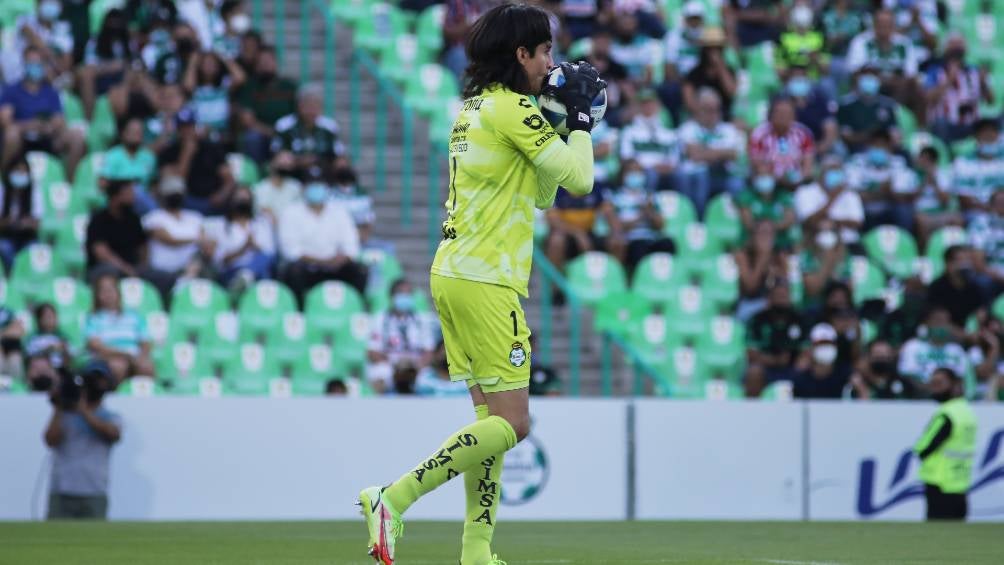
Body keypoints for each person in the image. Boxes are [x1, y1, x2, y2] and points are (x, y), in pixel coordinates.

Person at [357, 5, 602, 564]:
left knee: (490, 424)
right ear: (521, 54)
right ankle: (393, 498)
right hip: (488, 280)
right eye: (544, 52)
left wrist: (556, 124)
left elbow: (542, 193)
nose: (551, 63)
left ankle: (476, 551)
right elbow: (581, 180)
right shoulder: (514, 110)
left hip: (454, 273)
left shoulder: (474, 108)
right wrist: (581, 124)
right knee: (515, 425)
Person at [44, 361, 121, 520]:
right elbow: (50, 440)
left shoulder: (110, 417)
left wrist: (83, 410)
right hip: (62, 489)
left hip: (93, 490)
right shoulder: (64, 415)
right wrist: (59, 406)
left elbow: (113, 434)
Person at [0, 46, 86, 178]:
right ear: (24, 64)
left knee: (77, 138)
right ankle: (4, 179)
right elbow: (5, 120)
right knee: (11, 134)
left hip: (47, 137)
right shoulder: (12, 90)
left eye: (38, 63)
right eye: (31, 63)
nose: (35, 67)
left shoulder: (51, 92)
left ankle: (68, 185)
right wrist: (30, 126)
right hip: (22, 139)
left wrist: (49, 127)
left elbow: (60, 120)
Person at [278, 180, 367, 301]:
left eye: (319, 184)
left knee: (360, 270)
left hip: (335, 266)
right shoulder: (290, 212)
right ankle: (299, 311)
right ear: (304, 188)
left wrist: (341, 259)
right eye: (312, 184)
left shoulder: (339, 211)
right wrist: (321, 261)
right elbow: (290, 251)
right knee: (293, 271)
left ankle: (354, 308)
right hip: (307, 266)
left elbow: (351, 246)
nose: (316, 188)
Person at [914, 367, 977, 521]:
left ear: (954, 385)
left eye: (939, 383)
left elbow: (923, 447)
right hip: (960, 481)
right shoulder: (966, 412)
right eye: (932, 383)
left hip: (940, 481)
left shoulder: (947, 414)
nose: (935, 388)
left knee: (936, 535)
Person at [675, 87, 745, 215]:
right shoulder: (687, 129)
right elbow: (694, 155)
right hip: (696, 176)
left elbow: (733, 154)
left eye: (716, 109)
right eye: (707, 109)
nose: (713, 113)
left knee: (738, 182)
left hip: (724, 174)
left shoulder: (729, 129)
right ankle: (699, 218)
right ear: (698, 109)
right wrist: (720, 153)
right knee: (701, 176)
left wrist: (704, 152)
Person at [156, 107, 236, 215]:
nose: (186, 131)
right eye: (182, 127)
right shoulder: (168, 152)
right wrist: (187, 154)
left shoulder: (211, 148)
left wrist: (221, 195)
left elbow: (229, 179)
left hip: (213, 199)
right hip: (186, 200)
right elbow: (176, 181)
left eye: (189, 126)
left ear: (195, 126)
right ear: (177, 129)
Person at [366, 279, 438, 394]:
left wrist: (416, 366)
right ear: (392, 296)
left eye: (408, 294)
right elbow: (372, 352)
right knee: (379, 373)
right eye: (401, 293)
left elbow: (429, 352)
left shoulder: (422, 319)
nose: (405, 297)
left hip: (416, 366)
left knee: (427, 378)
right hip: (390, 365)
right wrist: (396, 366)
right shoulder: (379, 319)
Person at [604, 161, 672, 276]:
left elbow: (661, 226)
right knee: (639, 248)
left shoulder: (650, 196)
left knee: (668, 244)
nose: (636, 175)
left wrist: (649, 212)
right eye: (631, 171)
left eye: (639, 171)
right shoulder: (614, 197)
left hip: (651, 238)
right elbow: (617, 227)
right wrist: (640, 216)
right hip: (630, 240)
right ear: (623, 175)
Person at [84, 272, 155, 383]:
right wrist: (123, 354)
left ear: (118, 292)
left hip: (133, 355)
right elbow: (95, 345)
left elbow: (145, 341)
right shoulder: (93, 318)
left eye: (111, 289)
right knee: (118, 367)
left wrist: (141, 357)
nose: (108, 294)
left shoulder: (133, 315)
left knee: (146, 367)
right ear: (97, 295)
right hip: (109, 356)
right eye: (103, 291)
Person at [205, 186, 275, 292]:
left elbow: (270, 253)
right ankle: (247, 278)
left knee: (263, 262)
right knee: (260, 275)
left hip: (260, 268)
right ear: (231, 201)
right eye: (239, 199)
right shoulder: (219, 225)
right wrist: (243, 248)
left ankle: (247, 275)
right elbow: (220, 260)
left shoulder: (261, 223)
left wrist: (254, 245)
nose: (243, 202)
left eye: (246, 199)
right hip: (232, 271)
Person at [845, 128, 917, 231]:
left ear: (889, 147)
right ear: (868, 146)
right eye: (875, 145)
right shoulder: (856, 161)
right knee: (851, 208)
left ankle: (905, 241)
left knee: (904, 210)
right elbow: (852, 194)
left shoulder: (899, 163)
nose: (878, 148)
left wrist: (875, 193)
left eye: (882, 145)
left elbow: (903, 197)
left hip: (888, 210)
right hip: (864, 209)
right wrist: (882, 191)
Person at [235, 45, 297, 162]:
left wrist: (282, 132)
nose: (265, 65)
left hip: (287, 132)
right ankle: (256, 175)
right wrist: (270, 132)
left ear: (276, 62)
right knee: (252, 138)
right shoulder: (250, 87)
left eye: (268, 61)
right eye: (261, 62)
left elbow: (299, 114)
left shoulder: (289, 87)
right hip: (261, 133)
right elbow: (247, 119)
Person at [270, 83, 346, 179]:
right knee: (283, 161)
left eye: (315, 106)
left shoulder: (330, 126)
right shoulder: (284, 125)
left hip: (324, 171)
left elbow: (339, 154)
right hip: (294, 172)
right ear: (299, 106)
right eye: (308, 106)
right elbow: (276, 153)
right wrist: (299, 161)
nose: (311, 110)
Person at [745, 278, 805, 397]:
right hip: (766, 368)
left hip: (793, 368)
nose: (781, 299)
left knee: (806, 372)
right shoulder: (757, 320)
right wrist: (775, 360)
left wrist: (798, 365)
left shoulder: (800, 320)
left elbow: (807, 351)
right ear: (769, 298)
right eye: (778, 295)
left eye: (784, 295)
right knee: (754, 372)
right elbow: (752, 353)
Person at [142, 175, 207, 282]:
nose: (175, 197)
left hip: (192, 269)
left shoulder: (195, 217)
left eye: (177, 193)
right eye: (171, 193)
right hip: (163, 271)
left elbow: (204, 241)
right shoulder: (153, 217)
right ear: (163, 195)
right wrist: (196, 239)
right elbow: (170, 240)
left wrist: (200, 240)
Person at [617, 88, 679, 193]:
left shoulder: (667, 131)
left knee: (682, 175)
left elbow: (674, 159)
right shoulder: (630, 131)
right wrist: (651, 166)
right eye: (644, 103)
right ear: (638, 106)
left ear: (658, 105)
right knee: (651, 174)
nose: (648, 106)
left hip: (666, 170)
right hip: (643, 171)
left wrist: (666, 167)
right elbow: (627, 158)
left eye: (651, 102)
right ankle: (647, 205)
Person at [794, 158, 864, 248]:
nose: (836, 173)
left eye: (838, 170)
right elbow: (809, 222)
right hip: (816, 243)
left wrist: (833, 223)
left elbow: (857, 222)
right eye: (831, 169)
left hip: (849, 243)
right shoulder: (805, 191)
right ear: (821, 173)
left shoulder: (850, 194)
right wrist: (833, 197)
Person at [748, 97, 815, 189]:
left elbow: (808, 165)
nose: (783, 117)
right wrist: (779, 179)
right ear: (771, 115)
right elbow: (758, 165)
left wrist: (799, 179)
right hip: (770, 181)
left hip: (797, 180)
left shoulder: (803, 133)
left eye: (787, 113)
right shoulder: (759, 133)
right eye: (779, 113)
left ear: (794, 116)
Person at [899, 307, 971, 393]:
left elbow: (961, 378)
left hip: (948, 396)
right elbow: (909, 376)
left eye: (944, 322)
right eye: (937, 321)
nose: (941, 325)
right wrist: (931, 390)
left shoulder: (956, 350)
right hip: (918, 397)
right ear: (927, 323)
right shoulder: (913, 346)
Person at [100, 117, 159, 214]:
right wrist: (124, 188)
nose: (137, 135)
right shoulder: (112, 155)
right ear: (123, 134)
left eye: (139, 132)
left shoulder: (149, 157)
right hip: (117, 199)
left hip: (142, 202)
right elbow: (102, 183)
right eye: (133, 131)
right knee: (135, 191)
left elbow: (154, 183)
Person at [837, 66, 900, 154]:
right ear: (857, 79)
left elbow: (895, 135)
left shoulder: (888, 105)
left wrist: (882, 145)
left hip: (884, 149)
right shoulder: (846, 105)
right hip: (855, 149)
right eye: (865, 75)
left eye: (873, 76)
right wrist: (869, 135)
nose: (869, 79)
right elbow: (846, 136)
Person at [734, 221, 788, 322]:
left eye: (769, 234)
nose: (765, 238)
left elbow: (785, 288)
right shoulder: (742, 255)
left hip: (771, 305)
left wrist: (782, 267)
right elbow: (750, 287)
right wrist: (762, 258)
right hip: (745, 304)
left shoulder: (778, 257)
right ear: (753, 236)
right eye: (762, 233)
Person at [952, 118, 1004, 220]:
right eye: (984, 135)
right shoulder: (963, 163)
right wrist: (990, 209)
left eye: (992, 134)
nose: (988, 137)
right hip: (976, 212)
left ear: (998, 136)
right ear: (975, 137)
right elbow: (964, 198)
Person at [682, 30, 737, 121]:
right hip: (700, 120)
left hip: (724, 119)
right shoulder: (694, 73)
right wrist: (706, 115)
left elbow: (731, 92)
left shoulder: (729, 71)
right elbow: (689, 102)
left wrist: (720, 66)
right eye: (710, 48)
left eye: (717, 48)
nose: (713, 52)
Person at [0, 157, 43, 271]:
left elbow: (38, 224)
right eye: (17, 171)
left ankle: (20, 273)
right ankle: (15, 274)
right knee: (3, 247)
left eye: (23, 171)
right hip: (6, 236)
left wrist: (26, 223)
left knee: (33, 248)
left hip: (27, 237)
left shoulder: (34, 192)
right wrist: (7, 222)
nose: (20, 174)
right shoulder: (2, 192)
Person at [926, 246, 986, 328]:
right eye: (960, 260)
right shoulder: (937, 288)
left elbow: (981, 314)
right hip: (943, 336)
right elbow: (939, 322)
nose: (965, 265)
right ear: (948, 264)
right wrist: (967, 336)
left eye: (967, 260)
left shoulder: (974, 287)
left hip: (969, 333)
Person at [793, 323, 849, 399]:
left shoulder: (845, 374)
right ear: (811, 347)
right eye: (821, 343)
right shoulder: (801, 377)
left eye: (829, 343)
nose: (825, 347)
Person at [848, 339, 917, 400]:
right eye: (877, 355)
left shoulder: (903, 383)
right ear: (869, 357)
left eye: (885, 356)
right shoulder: (857, 383)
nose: (882, 359)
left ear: (891, 357)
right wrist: (862, 390)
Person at [24, 303, 71, 392]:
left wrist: (64, 351)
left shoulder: (62, 337)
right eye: (46, 316)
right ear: (39, 319)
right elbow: (29, 357)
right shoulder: (33, 338)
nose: (50, 319)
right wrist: (47, 351)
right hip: (39, 371)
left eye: (52, 316)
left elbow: (69, 359)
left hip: (58, 369)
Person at [252, 151, 302, 225]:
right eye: (283, 161)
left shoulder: (296, 187)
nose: (286, 164)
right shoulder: (258, 189)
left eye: (289, 162)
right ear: (272, 163)